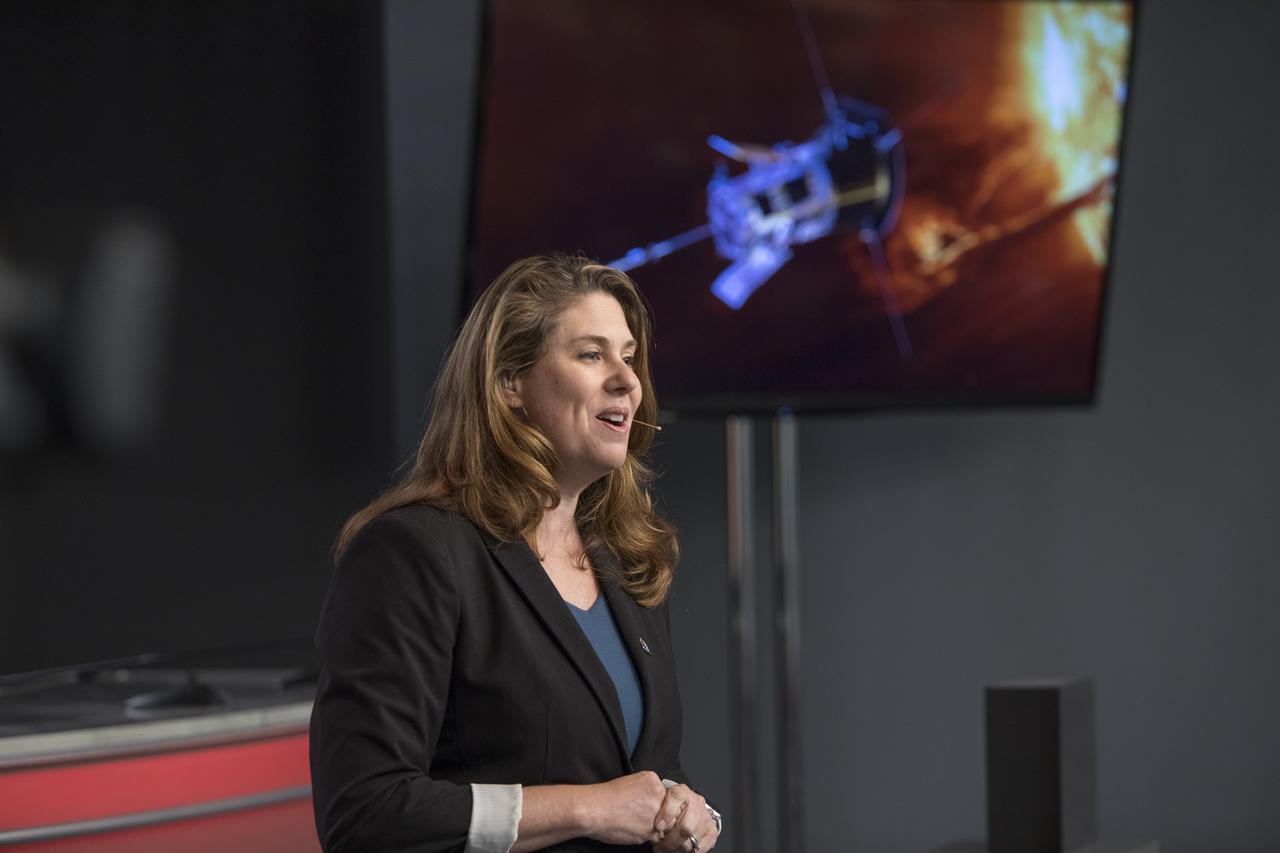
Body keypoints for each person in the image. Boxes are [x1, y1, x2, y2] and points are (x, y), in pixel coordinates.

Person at [309, 255, 722, 853]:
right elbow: (365, 812)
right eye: (591, 354)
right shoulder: (414, 552)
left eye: (629, 357)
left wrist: (689, 811)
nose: (628, 380)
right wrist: (585, 807)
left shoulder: (625, 558)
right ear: (509, 385)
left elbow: (645, 773)